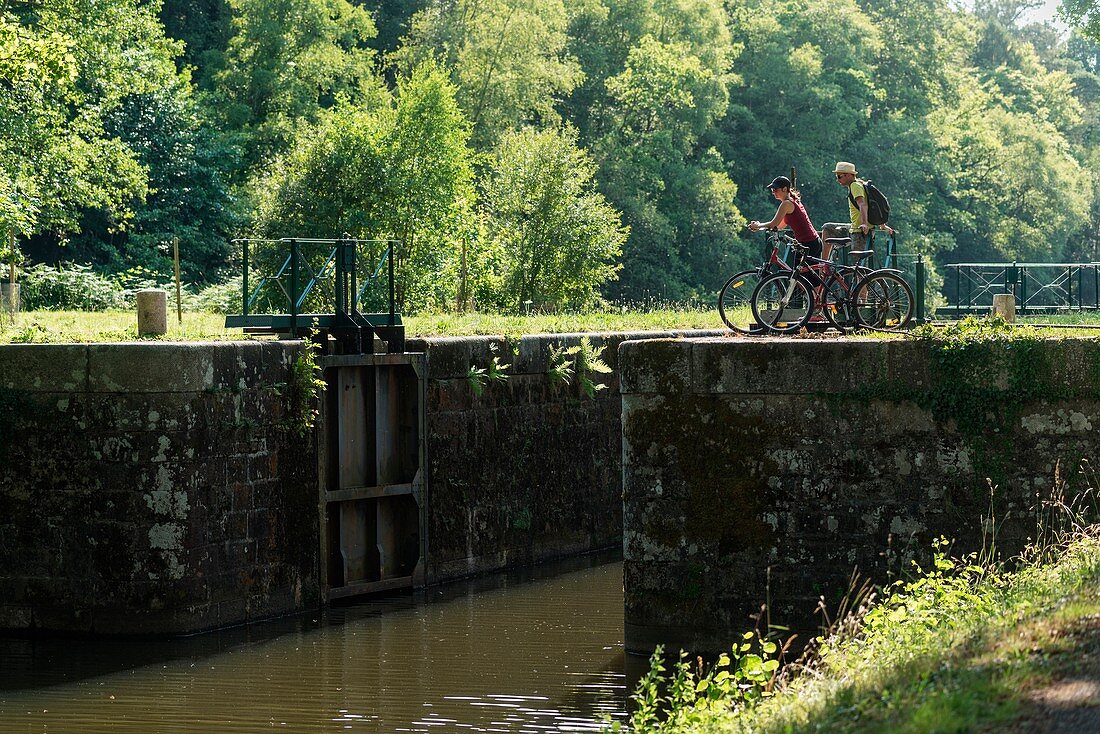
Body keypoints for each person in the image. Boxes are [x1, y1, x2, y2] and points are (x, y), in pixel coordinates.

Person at [820, 161, 893, 261]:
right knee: (827, 229)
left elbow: (863, 204)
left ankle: (824, 265)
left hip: (859, 232)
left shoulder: (855, 186)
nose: (837, 180)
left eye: (839, 176)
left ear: (849, 175)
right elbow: (873, 204)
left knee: (859, 267)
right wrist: (882, 225)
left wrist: (864, 224)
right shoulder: (860, 185)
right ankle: (823, 265)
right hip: (855, 229)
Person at [748, 175, 822, 259]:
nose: (773, 192)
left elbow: (773, 224)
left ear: (785, 189)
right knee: (799, 272)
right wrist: (759, 228)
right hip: (811, 242)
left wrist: (758, 225)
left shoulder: (786, 204)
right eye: (772, 190)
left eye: (775, 189)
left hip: (808, 244)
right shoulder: (792, 201)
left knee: (799, 272)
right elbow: (779, 226)